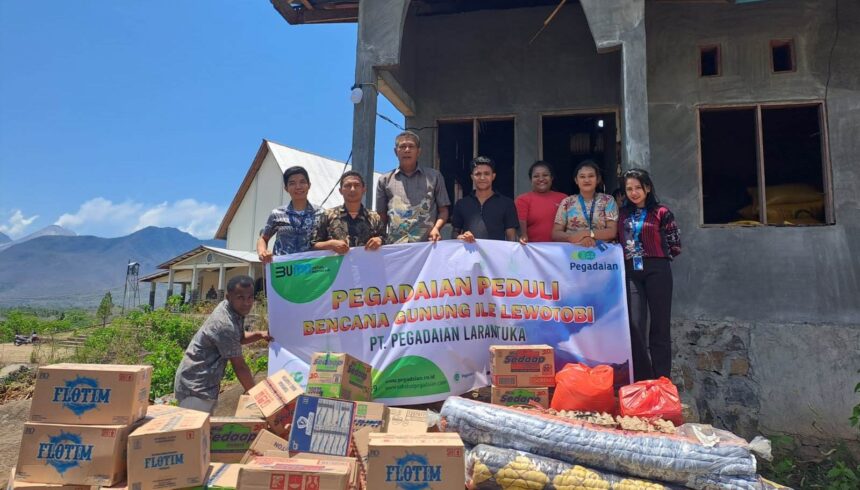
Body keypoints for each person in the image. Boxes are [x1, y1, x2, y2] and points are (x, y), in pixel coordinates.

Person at [617, 168, 681, 381]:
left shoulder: (662, 212)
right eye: (629, 189)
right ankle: (644, 380)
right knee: (635, 325)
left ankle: (662, 380)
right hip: (631, 272)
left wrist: (655, 255)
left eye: (638, 188)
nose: (633, 192)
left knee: (660, 326)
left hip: (657, 270)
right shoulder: (622, 213)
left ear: (648, 188)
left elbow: (675, 244)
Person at [174, 275, 272, 413]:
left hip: (205, 385)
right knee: (196, 432)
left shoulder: (232, 310)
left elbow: (239, 338)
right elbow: (240, 367)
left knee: (205, 431)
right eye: (240, 298)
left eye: (250, 297)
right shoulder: (224, 324)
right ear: (228, 297)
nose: (246, 303)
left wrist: (259, 334)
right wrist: (261, 399)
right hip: (195, 388)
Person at [376, 131, 451, 243]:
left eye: (411, 146)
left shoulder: (434, 177)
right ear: (396, 151)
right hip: (395, 246)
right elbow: (381, 215)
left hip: (427, 245)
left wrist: (436, 228)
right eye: (402, 146)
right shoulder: (385, 180)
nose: (407, 150)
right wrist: (380, 238)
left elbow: (444, 210)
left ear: (418, 151)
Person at [257, 166, 319, 263]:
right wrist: (263, 252)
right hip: (283, 271)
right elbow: (263, 238)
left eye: (302, 182)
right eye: (292, 183)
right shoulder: (277, 214)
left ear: (309, 185)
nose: (298, 187)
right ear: (286, 188)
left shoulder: (321, 213)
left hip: (312, 271)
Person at [312, 171, 385, 253]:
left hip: (366, 265)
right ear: (340, 190)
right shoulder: (328, 215)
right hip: (337, 265)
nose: (352, 189)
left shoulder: (374, 217)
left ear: (364, 189)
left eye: (357, 185)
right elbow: (313, 245)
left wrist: (379, 240)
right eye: (347, 185)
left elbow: (386, 240)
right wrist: (330, 244)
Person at [552, 160, 618, 247]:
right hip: (572, 253)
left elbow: (612, 232)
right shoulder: (567, 202)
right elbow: (556, 234)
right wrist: (574, 237)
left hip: (602, 253)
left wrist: (587, 234)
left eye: (591, 176)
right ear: (576, 180)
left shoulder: (608, 200)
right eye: (582, 177)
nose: (587, 180)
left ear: (598, 179)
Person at [452, 156, 519, 242]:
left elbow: (511, 238)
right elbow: (454, 232)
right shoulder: (461, 204)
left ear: (493, 176)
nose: (482, 178)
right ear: (472, 177)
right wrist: (460, 237)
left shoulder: (507, 204)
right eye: (478, 174)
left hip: (496, 254)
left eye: (487, 174)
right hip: (469, 254)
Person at [515, 161, 567, 243]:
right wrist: (523, 237)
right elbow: (521, 225)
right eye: (536, 176)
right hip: (534, 251)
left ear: (552, 177)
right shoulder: (522, 199)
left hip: (560, 250)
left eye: (545, 175)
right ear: (530, 179)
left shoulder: (564, 198)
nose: (541, 179)